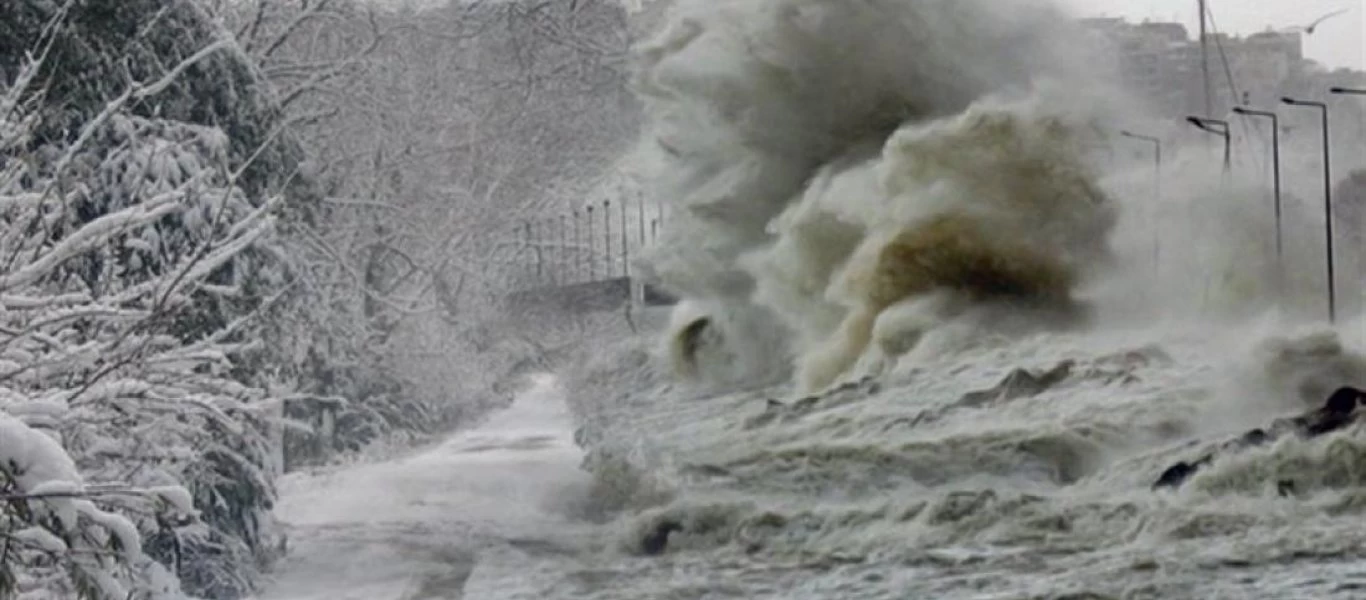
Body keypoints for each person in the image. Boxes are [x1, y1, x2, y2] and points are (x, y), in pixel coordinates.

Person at [1152, 386, 1365, 490]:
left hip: (1275, 437)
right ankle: (1186, 477)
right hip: (1282, 439)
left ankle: (1186, 475)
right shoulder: (1337, 416)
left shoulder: (1326, 411)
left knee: (1240, 449)